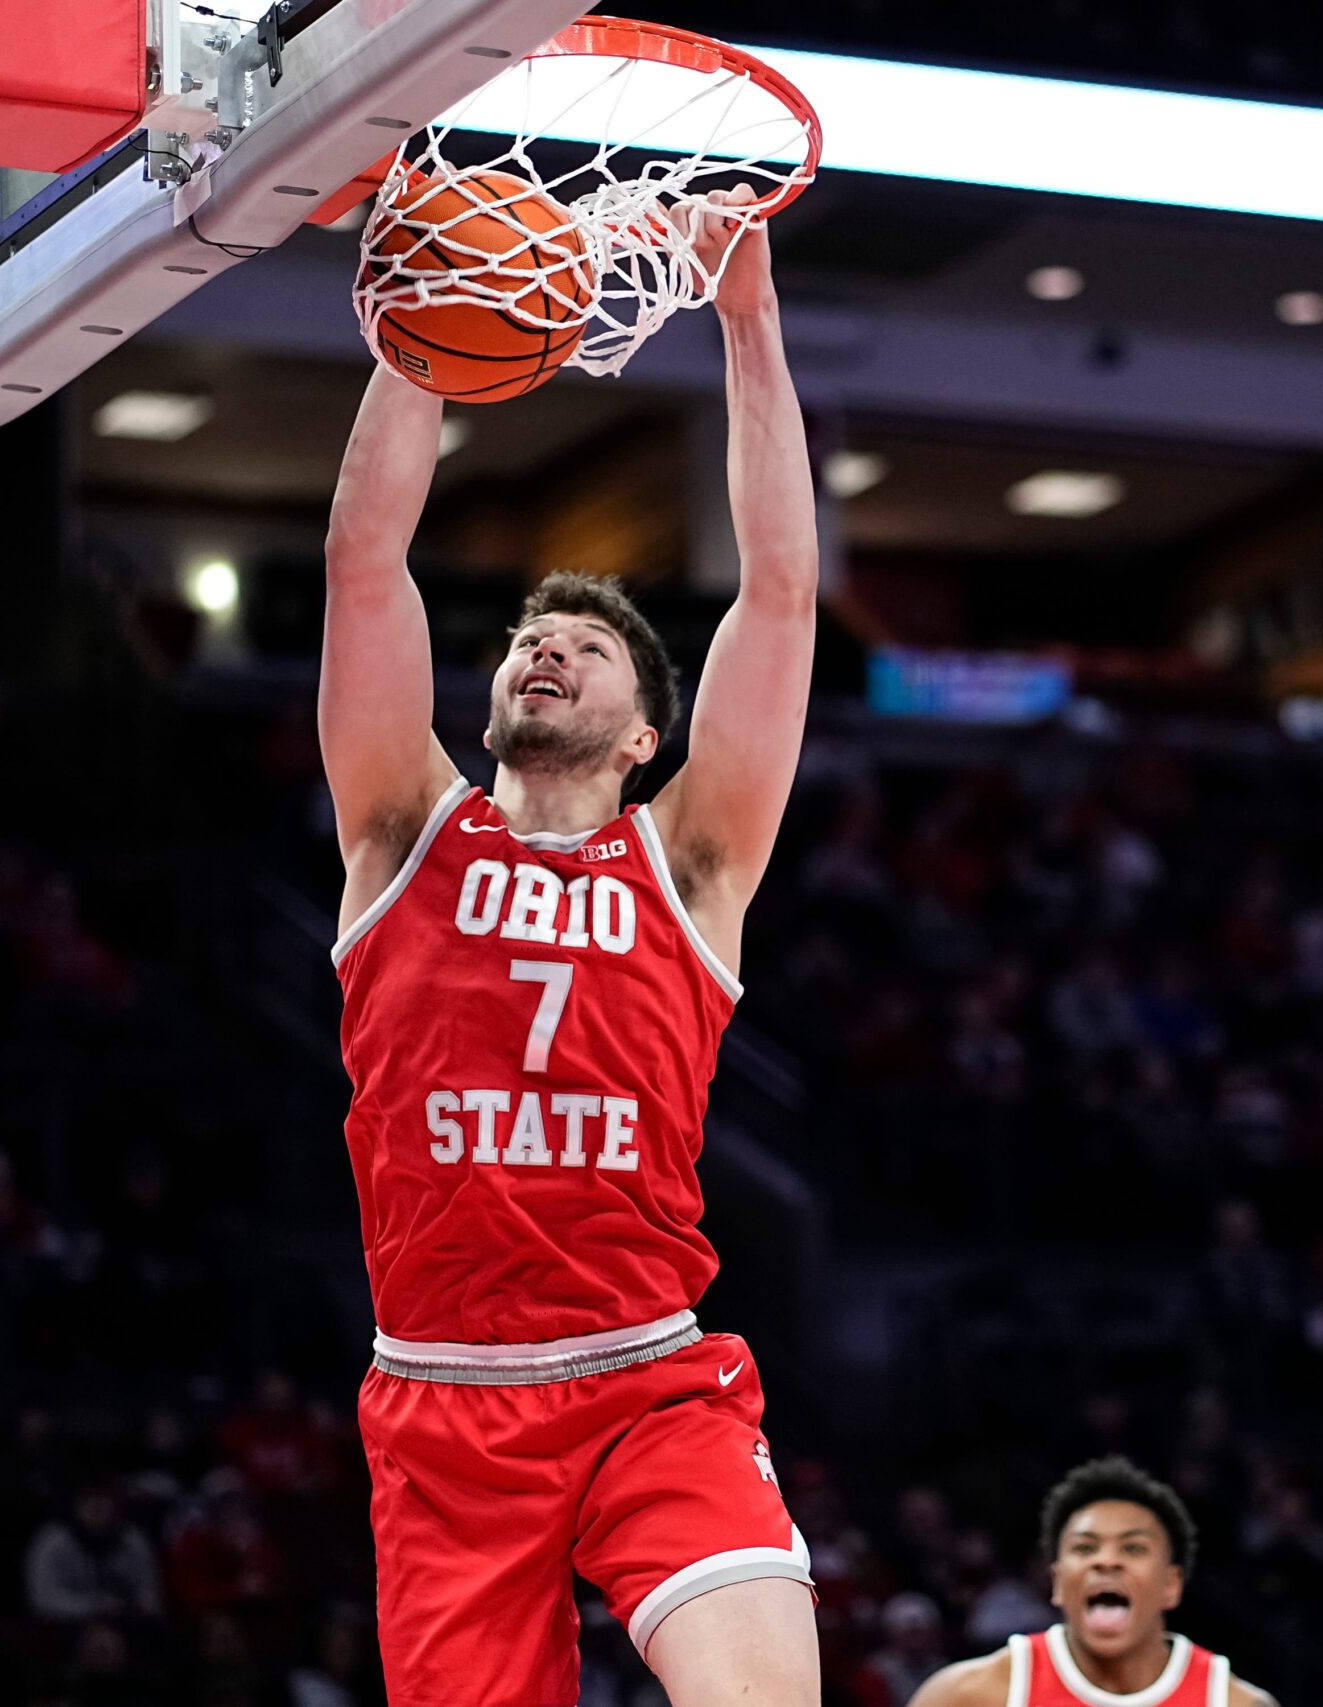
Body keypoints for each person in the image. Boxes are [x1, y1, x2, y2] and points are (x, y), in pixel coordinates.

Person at [321, 185, 819, 1707]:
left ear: (644, 730)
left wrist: (748, 316)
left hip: (648, 1375)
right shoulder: (401, 828)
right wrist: (428, 321)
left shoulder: (693, 854)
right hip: (443, 1396)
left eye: (587, 644)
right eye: (531, 637)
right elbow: (362, 556)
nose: (545, 646)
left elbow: (783, 589)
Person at [910, 1458, 1278, 1707]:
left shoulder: (1231, 1702)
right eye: (1086, 1548)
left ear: (1171, 1584)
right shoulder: (971, 1695)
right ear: (1056, 1581)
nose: (1107, 1561)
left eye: (1133, 1548)